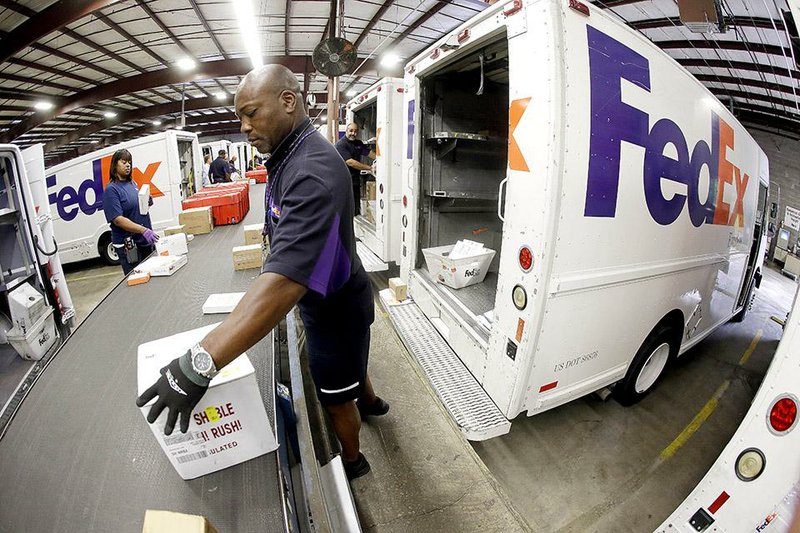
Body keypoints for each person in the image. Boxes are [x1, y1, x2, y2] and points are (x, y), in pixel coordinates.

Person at [136, 65, 389, 481]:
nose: (244, 127)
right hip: (341, 298)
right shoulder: (291, 154)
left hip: (333, 311)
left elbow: (286, 281)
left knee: (335, 396)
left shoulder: (310, 169)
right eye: (240, 118)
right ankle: (372, 402)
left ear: (288, 102)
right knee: (352, 366)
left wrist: (200, 362)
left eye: (251, 113)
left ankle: (354, 460)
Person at [102, 149, 159, 274]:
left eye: (129, 162)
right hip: (129, 246)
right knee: (138, 279)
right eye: (124, 162)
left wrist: (145, 202)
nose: (128, 165)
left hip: (143, 241)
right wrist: (143, 230)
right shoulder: (112, 190)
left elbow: (133, 208)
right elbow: (118, 220)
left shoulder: (132, 183)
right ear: (115, 165)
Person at [335, 122, 375, 216]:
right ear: (346, 131)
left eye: (355, 131)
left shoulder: (358, 143)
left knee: (355, 208)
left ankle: (354, 221)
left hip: (355, 181)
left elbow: (368, 152)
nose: (353, 133)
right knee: (347, 209)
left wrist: (381, 159)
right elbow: (350, 162)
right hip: (344, 182)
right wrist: (370, 168)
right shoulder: (341, 145)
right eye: (351, 131)